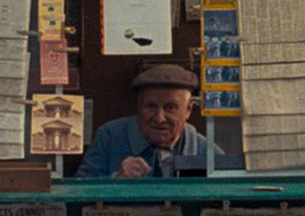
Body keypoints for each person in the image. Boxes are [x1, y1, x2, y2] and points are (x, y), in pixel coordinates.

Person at [76, 63, 208, 179]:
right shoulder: (109, 137)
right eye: (150, 107)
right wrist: (117, 180)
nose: (159, 118)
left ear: (188, 110)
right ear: (138, 108)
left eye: (170, 108)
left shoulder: (204, 150)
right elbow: (78, 196)